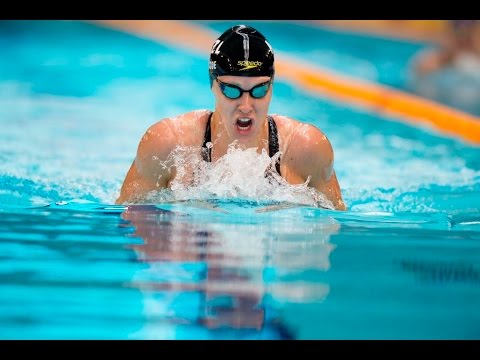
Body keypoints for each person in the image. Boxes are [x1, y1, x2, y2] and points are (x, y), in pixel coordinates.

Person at [116, 24, 346, 210]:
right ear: (212, 85)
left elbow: (333, 231)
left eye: (259, 90)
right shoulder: (167, 143)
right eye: (232, 90)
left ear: (272, 86)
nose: (246, 106)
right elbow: (129, 223)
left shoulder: (307, 149)